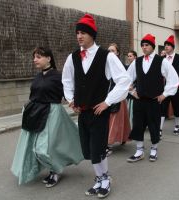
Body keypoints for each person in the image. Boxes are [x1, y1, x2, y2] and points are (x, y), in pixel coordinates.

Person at [62, 14, 131, 198]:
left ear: (92, 34)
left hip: (100, 112)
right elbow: (67, 80)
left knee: (97, 148)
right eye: (77, 33)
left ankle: (104, 179)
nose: (79, 36)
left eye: (83, 32)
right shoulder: (73, 57)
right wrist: (71, 99)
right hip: (83, 112)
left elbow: (124, 80)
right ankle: (99, 177)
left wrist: (108, 101)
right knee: (88, 149)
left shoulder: (106, 56)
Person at [11, 47, 84, 187]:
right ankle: (52, 169)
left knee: (45, 147)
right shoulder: (38, 77)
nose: (34, 60)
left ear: (49, 58)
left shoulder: (59, 76)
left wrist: (75, 104)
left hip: (53, 113)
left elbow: (69, 92)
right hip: (36, 113)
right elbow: (34, 95)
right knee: (34, 146)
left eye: (38, 57)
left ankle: (56, 171)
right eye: (34, 57)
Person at [127, 34, 178, 162]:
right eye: (142, 45)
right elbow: (127, 78)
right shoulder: (137, 61)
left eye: (147, 45)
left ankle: (154, 149)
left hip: (154, 101)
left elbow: (173, 79)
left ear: (152, 47)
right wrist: (132, 92)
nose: (144, 48)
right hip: (139, 100)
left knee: (154, 126)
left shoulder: (162, 61)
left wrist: (164, 95)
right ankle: (139, 150)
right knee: (138, 125)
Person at [160, 35, 179, 135]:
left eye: (168, 45)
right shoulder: (162, 59)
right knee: (162, 108)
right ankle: (159, 129)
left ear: (173, 47)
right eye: (165, 45)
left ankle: (177, 125)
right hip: (165, 88)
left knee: (177, 107)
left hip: (176, 88)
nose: (166, 47)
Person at [106, 43, 131, 155]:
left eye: (112, 50)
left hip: (118, 97)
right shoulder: (105, 65)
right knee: (113, 120)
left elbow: (126, 81)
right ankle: (124, 137)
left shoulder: (122, 67)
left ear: (117, 53)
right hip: (107, 96)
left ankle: (109, 144)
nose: (110, 52)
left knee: (115, 120)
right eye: (108, 50)